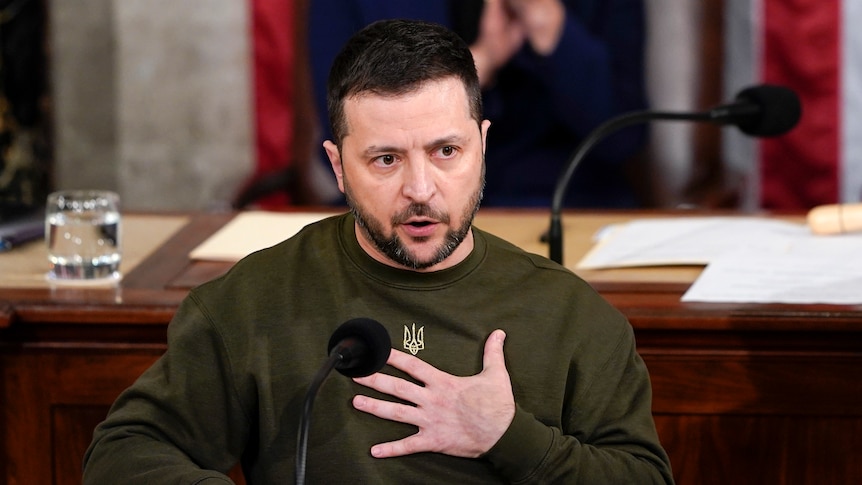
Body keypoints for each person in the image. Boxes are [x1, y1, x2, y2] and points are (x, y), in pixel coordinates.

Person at [83, 19, 673, 483]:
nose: (420, 189)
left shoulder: (572, 315)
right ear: (338, 165)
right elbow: (125, 452)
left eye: (446, 151)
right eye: (386, 159)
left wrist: (506, 435)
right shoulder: (254, 300)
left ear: (482, 146)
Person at [308, 0, 649, 208]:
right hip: (406, 206)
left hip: (561, 204)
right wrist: (480, 63)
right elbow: (343, 132)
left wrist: (548, 25)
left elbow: (622, 138)